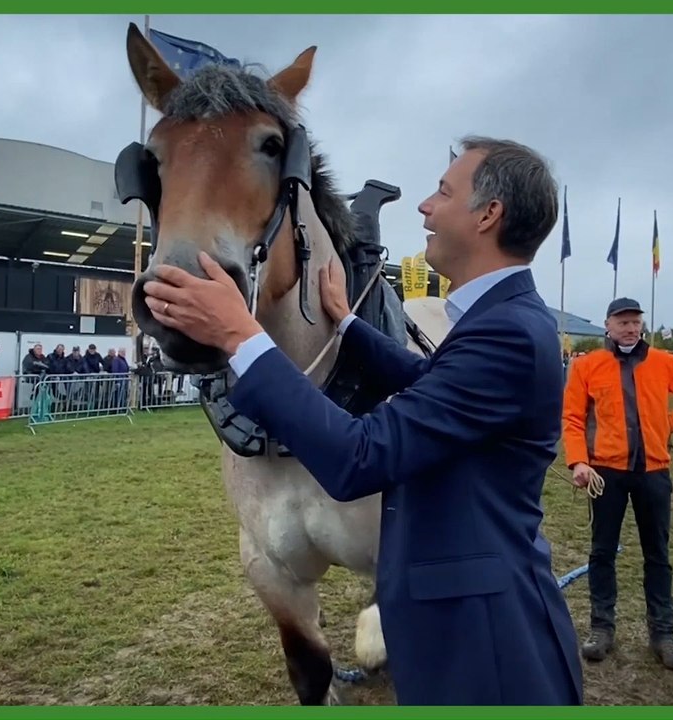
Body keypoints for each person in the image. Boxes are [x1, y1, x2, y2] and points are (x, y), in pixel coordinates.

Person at [141, 137, 583, 705]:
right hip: (470, 628)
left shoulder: (507, 335)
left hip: (485, 652)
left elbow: (360, 457)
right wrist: (348, 326)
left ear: (488, 215)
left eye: (443, 192)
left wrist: (240, 337)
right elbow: (433, 389)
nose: (425, 206)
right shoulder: (505, 320)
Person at [561, 298, 673, 670]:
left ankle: (664, 634)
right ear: (608, 326)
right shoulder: (586, 366)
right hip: (604, 473)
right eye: (622, 322)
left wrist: (669, 425)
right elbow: (573, 417)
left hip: (653, 472)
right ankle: (601, 629)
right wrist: (579, 460)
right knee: (601, 552)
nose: (629, 328)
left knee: (657, 555)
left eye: (635, 322)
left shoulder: (667, 363)